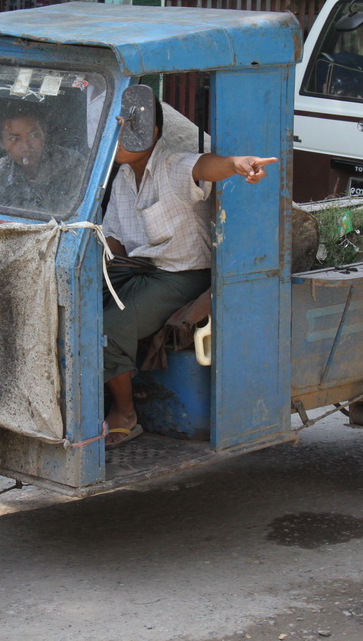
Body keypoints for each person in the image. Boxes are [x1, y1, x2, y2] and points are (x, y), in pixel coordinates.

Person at [101, 100, 278, 449]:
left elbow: (204, 166)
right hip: (141, 271)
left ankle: (125, 414)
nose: (112, 139)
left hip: (182, 276)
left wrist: (236, 165)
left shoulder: (170, 164)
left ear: (149, 132)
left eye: (121, 131)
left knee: (111, 326)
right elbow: (114, 238)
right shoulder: (121, 175)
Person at [0, 111, 85, 212]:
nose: (25, 147)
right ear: (1, 142)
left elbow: (77, 220)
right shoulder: (0, 172)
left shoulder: (72, 164)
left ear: (44, 133)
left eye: (33, 136)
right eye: (14, 139)